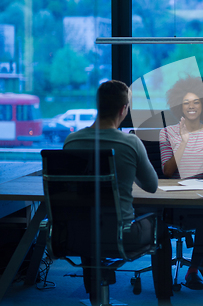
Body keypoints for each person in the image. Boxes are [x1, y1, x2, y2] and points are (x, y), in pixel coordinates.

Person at [63, 80, 173, 306]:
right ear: (124, 109)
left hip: (75, 234)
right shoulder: (130, 142)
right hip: (122, 235)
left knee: (88, 221)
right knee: (160, 229)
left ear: (98, 105)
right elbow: (151, 186)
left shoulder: (71, 141)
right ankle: (164, 301)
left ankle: (95, 299)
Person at [159, 76, 203, 290]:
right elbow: (168, 171)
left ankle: (195, 268)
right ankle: (200, 266)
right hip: (174, 198)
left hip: (199, 194)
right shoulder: (167, 133)